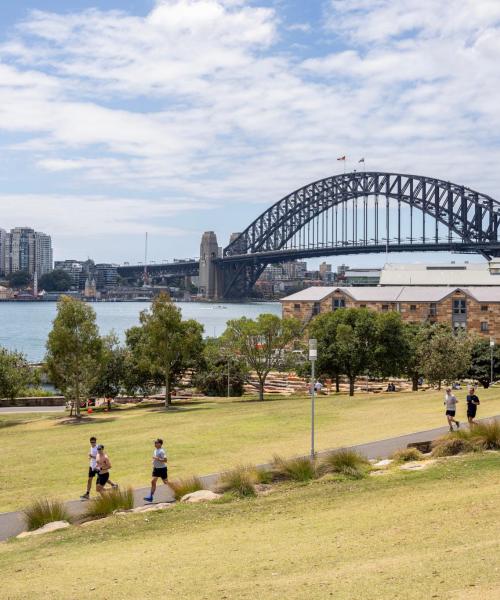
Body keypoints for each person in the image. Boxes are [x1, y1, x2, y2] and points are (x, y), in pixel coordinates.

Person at [144, 438, 169, 503]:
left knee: (166, 483)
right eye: (155, 443)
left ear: (160, 444)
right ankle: (150, 496)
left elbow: (165, 460)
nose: (155, 444)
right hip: (156, 469)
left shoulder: (161, 451)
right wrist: (154, 461)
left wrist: (157, 458)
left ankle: (177, 488)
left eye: (156, 443)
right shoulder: (156, 450)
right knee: (152, 482)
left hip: (162, 469)